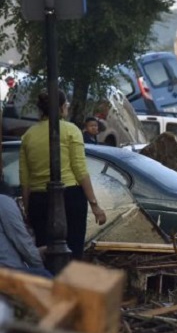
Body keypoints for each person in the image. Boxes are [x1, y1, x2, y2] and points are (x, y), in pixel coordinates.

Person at [20, 90, 106, 263]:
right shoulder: (71, 130)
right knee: (72, 252)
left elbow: (25, 179)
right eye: (65, 104)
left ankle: (49, 286)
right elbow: (80, 170)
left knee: (45, 254)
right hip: (70, 198)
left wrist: (28, 209)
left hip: (39, 200)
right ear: (61, 108)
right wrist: (94, 204)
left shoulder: (28, 136)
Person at [0, 181, 51, 278]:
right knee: (46, 277)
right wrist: (40, 268)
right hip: (8, 273)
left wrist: (37, 252)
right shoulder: (4, 202)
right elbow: (23, 244)